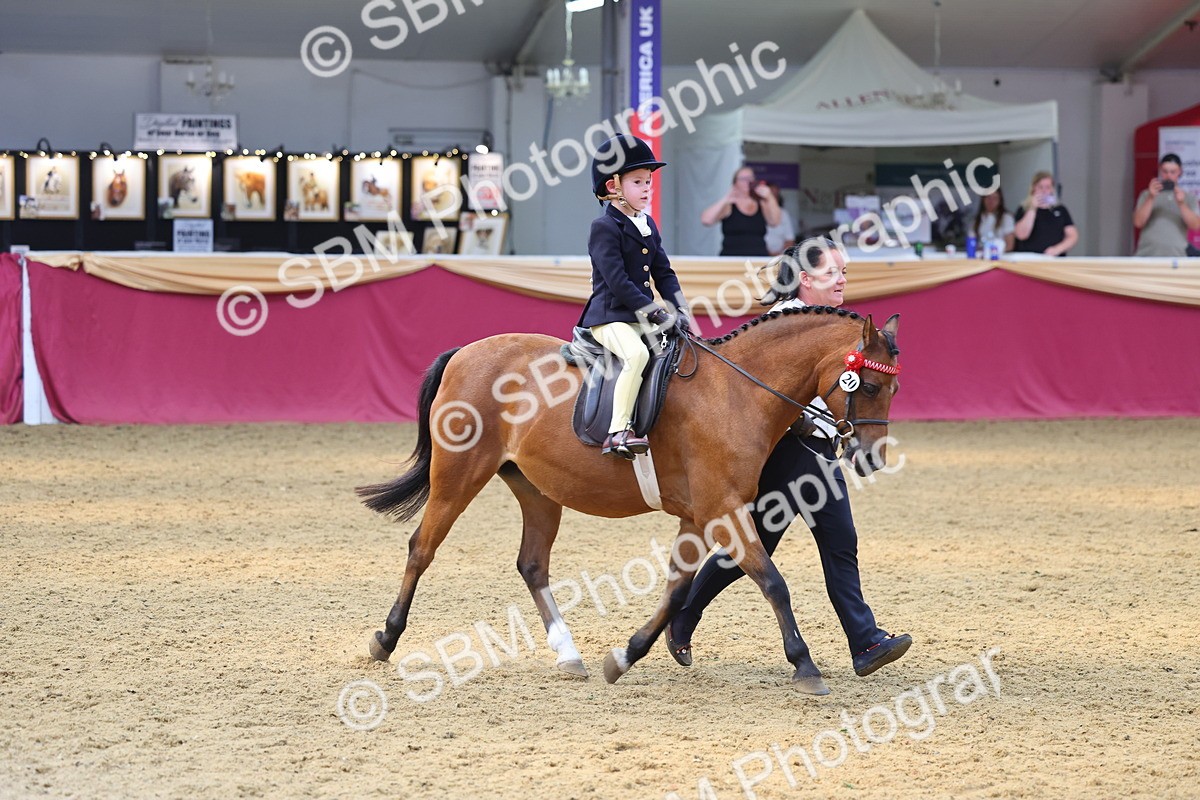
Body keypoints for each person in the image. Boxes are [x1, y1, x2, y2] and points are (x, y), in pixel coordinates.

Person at [666, 237, 912, 677]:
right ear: (804, 279)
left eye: (843, 272)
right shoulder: (782, 322)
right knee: (830, 541)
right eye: (831, 273)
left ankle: (683, 614)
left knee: (770, 544)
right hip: (790, 449)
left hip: (817, 448)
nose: (841, 280)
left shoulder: (834, 327)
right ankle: (865, 640)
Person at [578, 135, 690, 459]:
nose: (646, 189)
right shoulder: (604, 227)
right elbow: (618, 282)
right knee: (637, 355)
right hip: (610, 317)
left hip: (641, 316)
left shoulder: (647, 224)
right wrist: (655, 312)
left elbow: (664, 273)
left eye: (648, 182)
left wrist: (680, 310)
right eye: (638, 182)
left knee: (683, 350)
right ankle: (618, 432)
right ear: (613, 186)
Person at [701, 165, 782, 257]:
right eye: (743, 179)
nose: (747, 182)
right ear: (735, 183)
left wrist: (769, 197)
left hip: (757, 258)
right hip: (731, 258)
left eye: (750, 178)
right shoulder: (729, 205)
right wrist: (725, 199)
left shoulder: (761, 202)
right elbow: (706, 220)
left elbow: (775, 222)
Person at [1133, 153, 1200, 257]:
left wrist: (1182, 204)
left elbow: (1196, 225)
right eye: (1165, 171)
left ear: (1180, 172)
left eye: (1173, 172)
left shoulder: (1188, 198)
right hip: (1147, 254)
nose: (1168, 176)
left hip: (1176, 256)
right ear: (1160, 171)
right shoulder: (1147, 194)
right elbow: (1138, 222)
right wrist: (1151, 198)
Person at [1013, 171, 1078, 256]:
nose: (1044, 191)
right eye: (1040, 187)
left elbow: (1073, 236)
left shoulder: (1060, 209)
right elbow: (1021, 235)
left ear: (1052, 189)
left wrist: (1057, 249)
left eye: (1048, 187)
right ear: (1033, 188)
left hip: (1054, 259)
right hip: (1029, 259)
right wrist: (1032, 208)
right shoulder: (1023, 209)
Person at [971, 188, 1015, 253]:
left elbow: (1010, 245)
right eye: (988, 197)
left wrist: (991, 251)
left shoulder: (1007, 218)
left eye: (995, 198)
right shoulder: (977, 219)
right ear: (983, 199)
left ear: (1000, 201)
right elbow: (972, 241)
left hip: (999, 255)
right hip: (981, 255)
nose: (991, 201)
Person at [764, 182, 797, 256]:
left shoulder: (784, 214)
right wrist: (767, 254)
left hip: (780, 258)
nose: (773, 198)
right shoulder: (756, 213)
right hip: (759, 256)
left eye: (776, 196)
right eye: (770, 195)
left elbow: (790, 240)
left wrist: (779, 255)